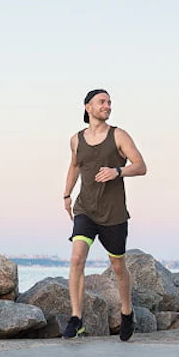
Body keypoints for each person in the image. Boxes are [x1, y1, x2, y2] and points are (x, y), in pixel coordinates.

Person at [62, 88, 147, 340]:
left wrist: (117, 171)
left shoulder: (119, 135)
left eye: (109, 102)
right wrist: (66, 195)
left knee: (118, 266)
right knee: (77, 259)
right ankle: (76, 318)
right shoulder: (76, 139)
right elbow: (74, 166)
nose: (107, 106)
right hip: (85, 209)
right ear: (88, 107)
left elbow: (141, 166)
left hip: (113, 213)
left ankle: (127, 312)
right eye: (102, 102)